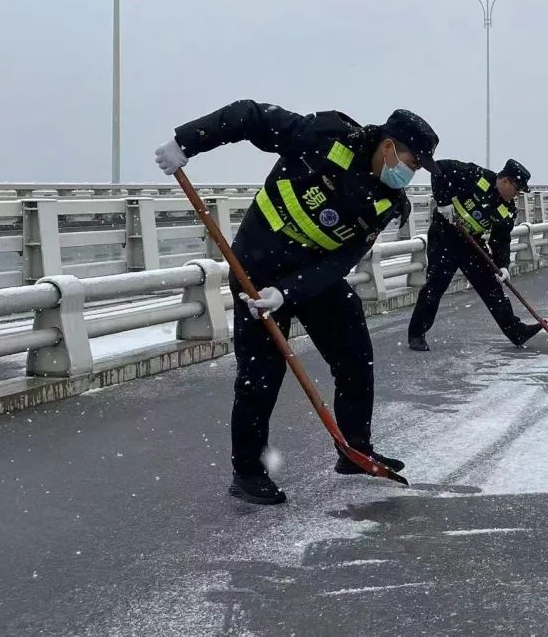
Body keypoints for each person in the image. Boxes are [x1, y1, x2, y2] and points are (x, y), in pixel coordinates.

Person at [154, 102, 440, 505]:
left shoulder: (386, 202)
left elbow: (342, 259)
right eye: (412, 161)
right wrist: (188, 141)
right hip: (256, 269)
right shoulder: (323, 137)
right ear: (389, 146)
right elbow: (251, 116)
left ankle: (353, 449)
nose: (410, 173)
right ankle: (249, 473)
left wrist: (288, 292)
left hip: (309, 280)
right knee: (260, 376)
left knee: (355, 356)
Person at [407, 159, 543, 352]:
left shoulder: (508, 209)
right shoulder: (477, 176)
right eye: (516, 189)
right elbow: (439, 168)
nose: (516, 194)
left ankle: (515, 331)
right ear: (505, 181)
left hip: (471, 243)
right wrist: (443, 202)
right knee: (436, 284)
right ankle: (417, 334)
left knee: (491, 286)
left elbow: (500, 240)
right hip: (445, 235)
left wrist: (502, 265)